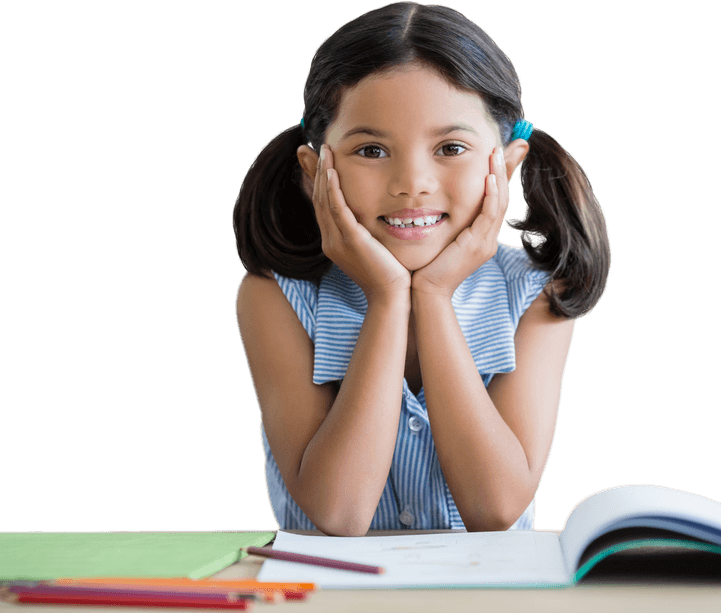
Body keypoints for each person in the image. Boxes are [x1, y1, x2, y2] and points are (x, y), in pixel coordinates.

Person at [232, 2, 611, 536]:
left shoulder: (539, 292)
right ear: (315, 171)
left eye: (450, 147)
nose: (413, 182)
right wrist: (388, 299)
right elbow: (338, 513)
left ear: (505, 164)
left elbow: (495, 509)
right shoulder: (275, 296)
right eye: (371, 149)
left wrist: (432, 296)